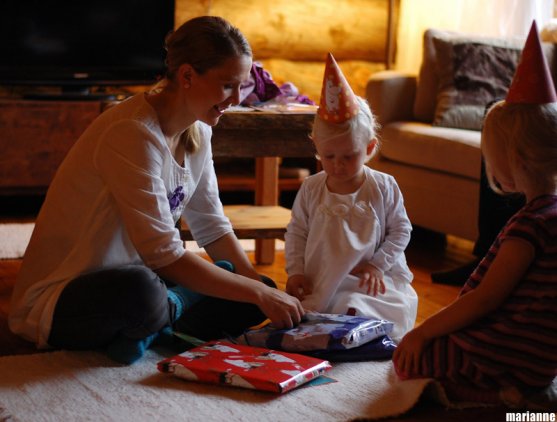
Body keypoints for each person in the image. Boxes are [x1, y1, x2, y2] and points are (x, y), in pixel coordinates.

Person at [8, 16, 304, 364]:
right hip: (65, 300)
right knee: (144, 293)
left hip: (149, 277)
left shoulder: (200, 130)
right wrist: (250, 290)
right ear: (188, 76)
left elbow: (211, 224)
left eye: (242, 86)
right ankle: (165, 317)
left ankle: (153, 329)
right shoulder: (132, 132)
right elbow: (163, 255)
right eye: (227, 86)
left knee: (261, 290)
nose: (236, 99)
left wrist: (255, 285)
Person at [393, 22, 557, 404]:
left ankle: (489, 397)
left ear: (514, 160)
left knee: (408, 358)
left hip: (505, 356)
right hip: (541, 360)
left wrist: (422, 333)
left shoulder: (529, 226)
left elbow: (485, 299)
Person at [284, 53, 418, 342]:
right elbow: (297, 232)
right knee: (308, 314)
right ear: (316, 146)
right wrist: (295, 272)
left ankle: (360, 334)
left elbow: (401, 229)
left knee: (361, 308)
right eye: (328, 156)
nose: (338, 164)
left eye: (349, 155)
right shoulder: (311, 188)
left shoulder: (382, 186)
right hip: (325, 278)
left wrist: (377, 265)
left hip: (367, 279)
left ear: (369, 147)